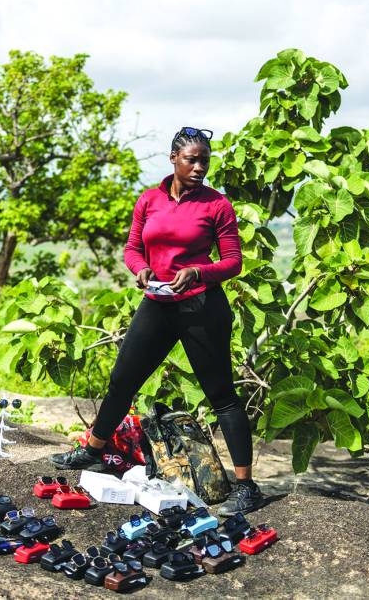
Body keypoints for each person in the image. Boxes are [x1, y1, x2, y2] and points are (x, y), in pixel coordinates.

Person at [50, 126, 264, 516]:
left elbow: (233, 262)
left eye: (205, 160)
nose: (199, 167)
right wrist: (142, 269)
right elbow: (132, 248)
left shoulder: (217, 205)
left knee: (222, 397)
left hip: (202, 309)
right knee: (122, 381)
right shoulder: (150, 199)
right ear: (173, 159)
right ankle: (92, 451)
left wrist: (198, 272)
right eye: (191, 159)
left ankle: (247, 487)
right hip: (157, 304)